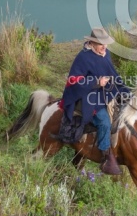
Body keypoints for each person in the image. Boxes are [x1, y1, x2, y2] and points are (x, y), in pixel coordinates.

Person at [55, 27, 130, 175]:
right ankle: (105, 156)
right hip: (88, 96)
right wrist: (96, 82)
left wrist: (125, 91)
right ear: (92, 43)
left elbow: (112, 73)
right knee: (104, 122)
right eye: (101, 44)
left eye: (106, 44)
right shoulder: (83, 57)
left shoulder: (104, 53)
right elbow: (74, 80)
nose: (105, 47)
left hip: (104, 92)